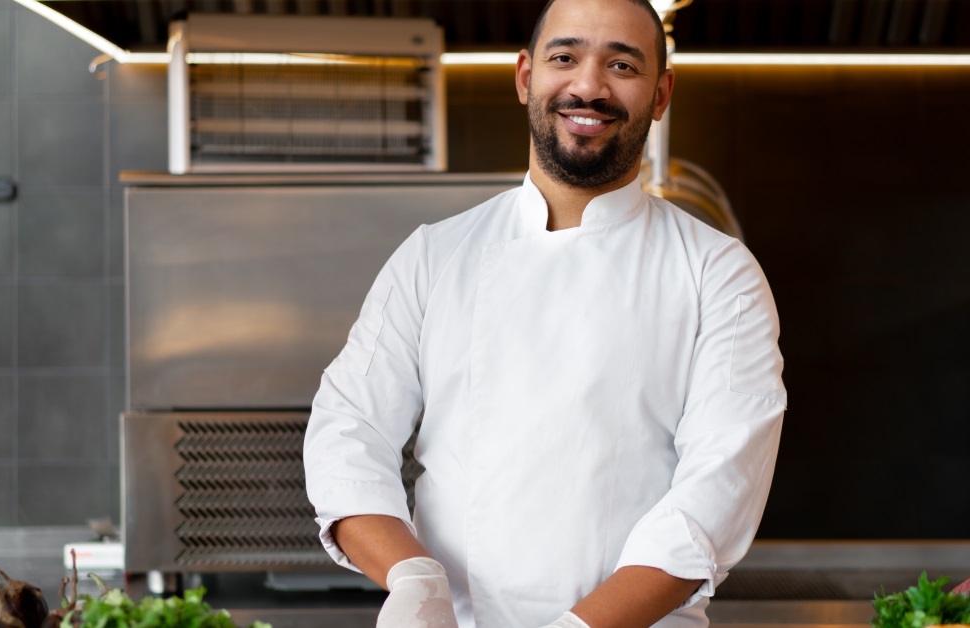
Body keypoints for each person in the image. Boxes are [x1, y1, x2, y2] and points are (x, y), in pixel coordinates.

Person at [303, 0, 786, 625]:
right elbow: (349, 432)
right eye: (566, 57)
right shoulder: (434, 255)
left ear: (661, 94)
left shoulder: (719, 274)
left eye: (622, 65)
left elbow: (715, 495)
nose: (589, 86)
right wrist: (414, 579)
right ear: (526, 76)